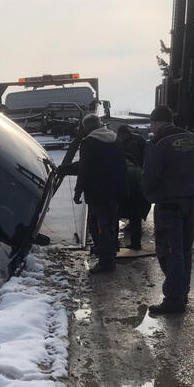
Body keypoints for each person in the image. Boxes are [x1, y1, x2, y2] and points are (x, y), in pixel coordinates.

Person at [141, 106, 194, 313]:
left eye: (152, 125)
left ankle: (173, 299)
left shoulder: (158, 144)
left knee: (170, 251)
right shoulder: (193, 139)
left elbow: (150, 178)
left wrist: (150, 197)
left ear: (155, 122)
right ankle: (183, 292)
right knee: (185, 249)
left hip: (170, 205)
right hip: (193, 203)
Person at [73, 113, 127, 274]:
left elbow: (84, 169)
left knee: (98, 226)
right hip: (115, 191)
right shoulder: (115, 140)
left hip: (97, 193)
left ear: (87, 128)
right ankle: (108, 251)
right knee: (110, 224)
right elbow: (122, 166)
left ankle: (106, 261)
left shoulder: (88, 143)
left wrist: (78, 191)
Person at [116, 125, 151, 249]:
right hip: (139, 191)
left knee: (116, 215)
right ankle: (136, 244)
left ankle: (114, 245)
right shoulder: (139, 139)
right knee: (135, 217)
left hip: (128, 192)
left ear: (123, 134)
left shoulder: (130, 146)